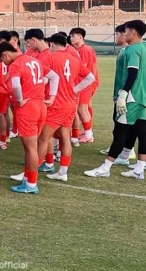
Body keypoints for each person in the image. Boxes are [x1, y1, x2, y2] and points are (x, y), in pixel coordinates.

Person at [85, 20, 146, 180]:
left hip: (132, 97)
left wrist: (123, 94)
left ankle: (105, 168)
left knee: (121, 132)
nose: (124, 33)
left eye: (126, 31)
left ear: (134, 32)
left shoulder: (132, 50)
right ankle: (140, 168)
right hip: (143, 96)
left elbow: (132, 73)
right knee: (142, 131)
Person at [0, 41, 58, 194]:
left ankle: (31, 183)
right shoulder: (35, 61)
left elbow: (15, 84)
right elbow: (54, 76)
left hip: (28, 108)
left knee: (30, 148)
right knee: (33, 146)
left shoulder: (16, 64)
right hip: (41, 106)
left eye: (3, 61)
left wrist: (20, 99)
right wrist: (52, 97)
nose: (5, 63)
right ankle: (29, 179)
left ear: (5, 55)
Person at [32, 33, 95, 183]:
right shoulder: (74, 59)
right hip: (70, 104)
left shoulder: (49, 57)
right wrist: (75, 89)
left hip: (56, 104)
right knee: (65, 138)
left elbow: (45, 79)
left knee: (43, 138)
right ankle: (62, 172)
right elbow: (90, 78)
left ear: (52, 44)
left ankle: (30, 173)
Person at [69, 27, 99, 145]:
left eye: (73, 36)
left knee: (82, 108)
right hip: (84, 83)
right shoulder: (80, 49)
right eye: (70, 36)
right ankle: (87, 131)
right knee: (85, 108)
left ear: (80, 37)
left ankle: (88, 134)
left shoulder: (85, 50)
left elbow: (85, 68)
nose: (71, 38)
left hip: (85, 83)